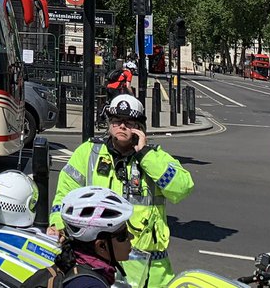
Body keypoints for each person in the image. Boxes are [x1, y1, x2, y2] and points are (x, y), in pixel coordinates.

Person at [48, 95, 193, 288]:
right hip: (101, 262)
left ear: (139, 127)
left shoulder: (154, 157)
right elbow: (65, 194)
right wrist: (58, 223)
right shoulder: (89, 153)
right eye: (116, 121)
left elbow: (182, 188)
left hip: (151, 269)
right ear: (109, 124)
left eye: (129, 122)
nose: (122, 126)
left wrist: (145, 156)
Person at [24, 186, 135, 288]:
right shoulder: (91, 285)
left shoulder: (69, 266)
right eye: (123, 235)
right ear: (101, 246)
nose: (132, 237)